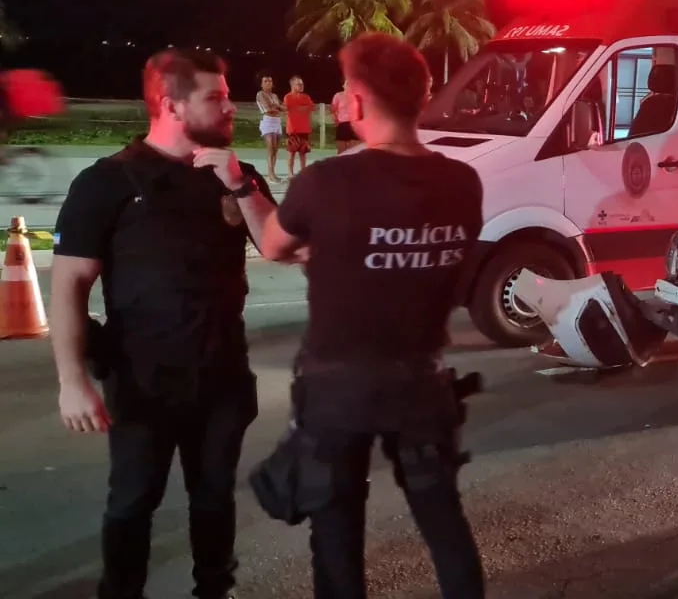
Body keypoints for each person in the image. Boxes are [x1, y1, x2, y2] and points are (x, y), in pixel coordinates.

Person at [258, 33, 486, 599]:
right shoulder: (463, 181)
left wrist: (245, 189)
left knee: (336, 533)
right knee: (444, 525)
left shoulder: (328, 181)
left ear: (356, 102)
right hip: (422, 384)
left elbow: (272, 245)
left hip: (337, 391)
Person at [50, 49, 277, 599]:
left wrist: (241, 186)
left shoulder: (234, 173)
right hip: (143, 378)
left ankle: (213, 591)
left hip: (221, 373)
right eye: (216, 98)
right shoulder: (106, 182)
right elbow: (68, 286)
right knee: (132, 502)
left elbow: (280, 247)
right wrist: (72, 381)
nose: (231, 107)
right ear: (171, 104)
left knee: (214, 497)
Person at [284, 75, 315, 177]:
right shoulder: (288, 97)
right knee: (291, 153)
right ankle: (290, 173)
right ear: (292, 85)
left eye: (302, 84)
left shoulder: (306, 97)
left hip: (304, 129)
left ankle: (303, 172)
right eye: (299, 84)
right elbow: (291, 108)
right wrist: (303, 108)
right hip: (293, 130)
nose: (301, 86)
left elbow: (311, 107)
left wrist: (300, 108)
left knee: (303, 153)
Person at [257, 74, 285, 182]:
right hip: (268, 122)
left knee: (275, 150)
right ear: (261, 83)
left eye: (270, 81)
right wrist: (277, 108)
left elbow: (284, 107)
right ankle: (270, 174)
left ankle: (273, 172)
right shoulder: (260, 94)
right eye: (265, 81)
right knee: (270, 148)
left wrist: (276, 107)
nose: (268, 83)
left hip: (277, 122)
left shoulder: (274, 95)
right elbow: (267, 109)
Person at [329, 79, 360, 154]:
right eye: (347, 83)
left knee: (353, 151)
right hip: (342, 124)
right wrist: (335, 121)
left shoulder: (357, 97)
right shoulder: (338, 96)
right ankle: (340, 165)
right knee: (341, 151)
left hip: (354, 125)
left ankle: (352, 165)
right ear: (343, 85)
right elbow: (332, 110)